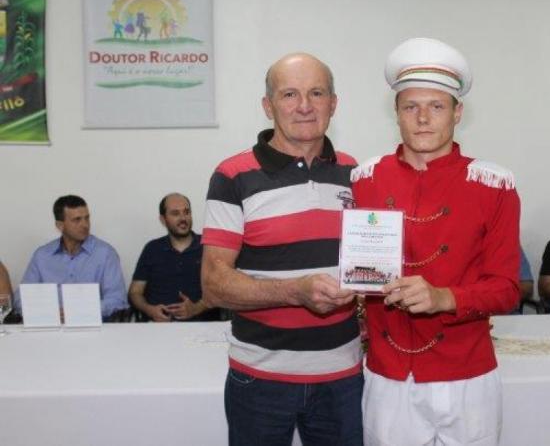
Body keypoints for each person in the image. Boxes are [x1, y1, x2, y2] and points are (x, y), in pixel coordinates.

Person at [352, 38, 520, 446]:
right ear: (396, 112)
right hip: (388, 374)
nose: (423, 118)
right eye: (411, 106)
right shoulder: (364, 180)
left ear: (457, 112)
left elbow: (507, 289)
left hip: (467, 374)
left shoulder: (494, 185)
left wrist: (445, 297)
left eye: (437, 106)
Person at [200, 52, 363, 446]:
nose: (304, 106)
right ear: (268, 106)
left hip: (342, 377)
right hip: (260, 379)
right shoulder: (232, 176)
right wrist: (295, 291)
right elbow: (213, 285)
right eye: (289, 94)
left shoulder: (354, 172)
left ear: (333, 104)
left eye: (316, 93)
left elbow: (366, 264)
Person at [18, 195, 128, 320]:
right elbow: (20, 298)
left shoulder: (105, 253)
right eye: (77, 220)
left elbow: (118, 300)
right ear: (60, 225)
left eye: (87, 218)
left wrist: (78, 311)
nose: (85, 225)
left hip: (93, 325)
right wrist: (49, 312)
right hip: (50, 325)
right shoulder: (42, 256)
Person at [128, 193, 218, 322]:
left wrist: (196, 308)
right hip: (158, 326)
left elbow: (222, 291)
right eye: (175, 213)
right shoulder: (152, 249)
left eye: (186, 212)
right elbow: (135, 292)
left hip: (201, 324)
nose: (183, 218)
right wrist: (150, 310)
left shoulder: (208, 247)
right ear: (163, 219)